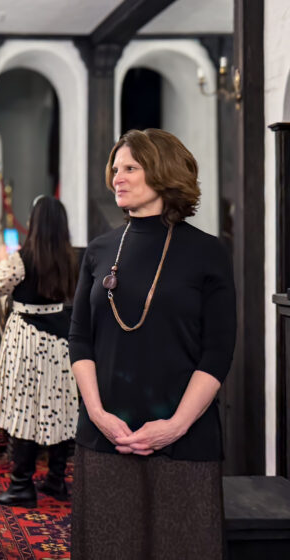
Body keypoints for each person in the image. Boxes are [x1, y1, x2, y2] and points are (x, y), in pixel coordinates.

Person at [68, 128, 236, 559]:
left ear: (162, 172)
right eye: (115, 168)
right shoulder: (99, 250)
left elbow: (217, 352)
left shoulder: (208, 252)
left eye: (131, 168)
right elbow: (80, 340)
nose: (117, 177)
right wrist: (98, 415)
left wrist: (175, 426)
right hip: (107, 435)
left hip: (184, 439)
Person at [0, 196, 79, 508]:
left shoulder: (22, 259)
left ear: (35, 223)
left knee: (24, 409)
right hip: (60, 339)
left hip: (27, 338)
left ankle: (21, 486)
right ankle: (56, 480)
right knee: (59, 408)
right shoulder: (70, 258)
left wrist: (1, 258)